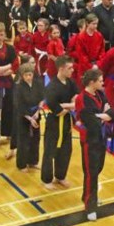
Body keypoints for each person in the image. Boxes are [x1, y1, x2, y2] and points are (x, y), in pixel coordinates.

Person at [76, 68, 114, 221]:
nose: (102, 83)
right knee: (91, 172)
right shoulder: (82, 99)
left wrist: (100, 115)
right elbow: (91, 122)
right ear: (92, 82)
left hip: (101, 137)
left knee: (98, 168)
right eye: (100, 81)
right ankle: (90, 206)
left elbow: (112, 112)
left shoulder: (100, 93)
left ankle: (87, 196)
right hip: (89, 140)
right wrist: (103, 116)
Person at [41, 56, 77, 190]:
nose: (72, 70)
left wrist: (66, 105)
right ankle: (46, 179)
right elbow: (58, 110)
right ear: (61, 69)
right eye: (70, 68)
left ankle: (60, 176)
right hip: (54, 123)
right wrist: (70, 106)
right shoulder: (52, 87)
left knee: (66, 150)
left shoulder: (70, 82)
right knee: (50, 151)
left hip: (67, 121)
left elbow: (77, 99)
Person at [13, 64, 44, 172]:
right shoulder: (19, 87)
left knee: (36, 138)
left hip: (36, 114)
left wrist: (38, 110)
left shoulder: (37, 84)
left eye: (30, 74)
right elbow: (19, 105)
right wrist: (30, 118)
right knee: (23, 140)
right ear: (22, 76)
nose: (28, 77)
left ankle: (33, 161)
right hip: (24, 116)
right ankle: (21, 164)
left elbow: (42, 97)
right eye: (26, 75)